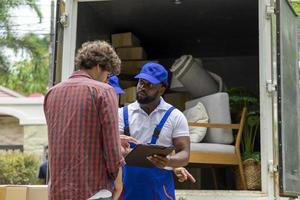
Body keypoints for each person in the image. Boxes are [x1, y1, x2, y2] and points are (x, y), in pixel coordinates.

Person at [44, 40, 123, 200]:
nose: (106, 80)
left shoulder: (52, 93)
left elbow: (65, 136)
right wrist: (118, 180)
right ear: (99, 66)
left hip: (58, 191)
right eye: (107, 75)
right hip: (94, 190)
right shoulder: (103, 91)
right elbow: (112, 149)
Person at [118, 62, 192, 200]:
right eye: (141, 82)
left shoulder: (175, 116)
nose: (142, 87)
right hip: (127, 187)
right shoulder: (122, 113)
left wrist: (169, 161)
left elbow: (185, 154)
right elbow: (112, 148)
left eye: (149, 85)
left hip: (160, 190)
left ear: (162, 89)